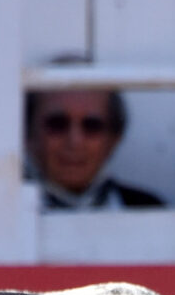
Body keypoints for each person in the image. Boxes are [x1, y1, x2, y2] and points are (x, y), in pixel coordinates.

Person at [26, 63, 162, 210]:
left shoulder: (148, 208)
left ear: (114, 138)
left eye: (91, 126)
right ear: (28, 134)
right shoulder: (3, 210)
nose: (75, 141)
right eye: (58, 124)